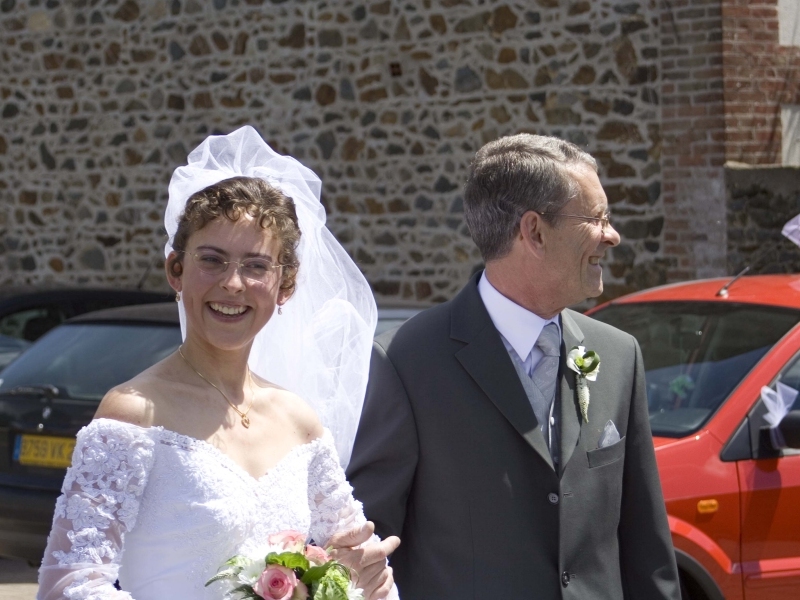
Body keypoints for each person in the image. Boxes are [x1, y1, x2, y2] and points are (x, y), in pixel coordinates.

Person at [37, 127, 399, 600]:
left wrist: (357, 579)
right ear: (176, 271)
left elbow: (366, 576)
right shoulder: (132, 414)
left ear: (285, 286)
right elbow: (69, 585)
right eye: (212, 260)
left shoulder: (300, 421)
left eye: (255, 266)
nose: (233, 283)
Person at [347, 134, 681, 599]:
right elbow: (370, 547)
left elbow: (646, 546)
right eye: (596, 217)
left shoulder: (619, 354)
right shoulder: (405, 362)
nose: (612, 234)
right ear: (535, 232)